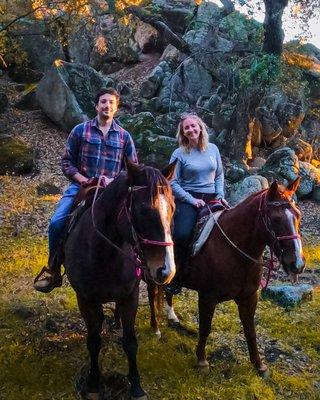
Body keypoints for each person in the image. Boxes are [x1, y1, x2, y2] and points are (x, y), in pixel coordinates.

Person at [34, 87, 138, 293]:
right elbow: (67, 163)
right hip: (81, 187)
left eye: (111, 102)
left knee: (136, 221)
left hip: (113, 191)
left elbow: (132, 168)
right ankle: (53, 270)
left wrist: (114, 182)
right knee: (57, 222)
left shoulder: (124, 137)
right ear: (96, 105)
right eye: (103, 102)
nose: (107, 105)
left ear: (116, 108)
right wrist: (83, 180)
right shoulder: (80, 130)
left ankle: (139, 269)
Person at [166, 113, 225, 294]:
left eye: (193, 126)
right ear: (182, 133)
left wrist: (220, 194)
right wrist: (191, 200)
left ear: (200, 127)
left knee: (230, 228)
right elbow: (172, 182)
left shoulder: (213, 149)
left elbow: (220, 174)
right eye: (187, 128)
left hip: (212, 197)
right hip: (188, 199)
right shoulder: (179, 153)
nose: (191, 130)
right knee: (182, 234)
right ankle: (176, 277)